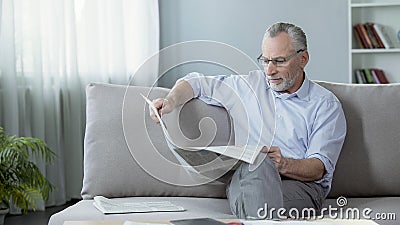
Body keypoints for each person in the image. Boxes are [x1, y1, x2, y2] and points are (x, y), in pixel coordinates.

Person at [150, 22, 346, 219]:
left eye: (279, 61)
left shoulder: (325, 104)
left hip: (299, 187)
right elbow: (196, 82)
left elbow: (318, 168)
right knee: (256, 171)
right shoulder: (249, 86)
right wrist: (170, 101)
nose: (269, 71)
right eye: (265, 60)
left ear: (303, 59)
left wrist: (282, 163)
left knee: (260, 196)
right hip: (246, 179)